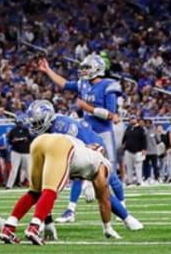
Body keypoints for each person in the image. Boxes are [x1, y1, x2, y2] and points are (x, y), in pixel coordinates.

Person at [25, 99, 143, 232]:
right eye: (33, 123)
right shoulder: (46, 131)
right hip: (69, 154)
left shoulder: (64, 127)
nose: (35, 126)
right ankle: (47, 221)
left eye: (37, 122)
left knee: (101, 188)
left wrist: (88, 181)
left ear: (47, 118)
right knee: (45, 185)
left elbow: (92, 150)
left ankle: (127, 218)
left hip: (93, 149)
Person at [37, 54, 125, 216]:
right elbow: (63, 84)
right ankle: (70, 209)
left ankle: (122, 206)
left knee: (109, 174)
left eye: (87, 68)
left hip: (103, 133)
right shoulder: (83, 84)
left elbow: (112, 115)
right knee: (77, 169)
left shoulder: (108, 85)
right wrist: (48, 70)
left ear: (97, 69)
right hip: (85, 133)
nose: (83, 71)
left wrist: (88, 108)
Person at [0, 133, 121, 245]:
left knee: (35, 192)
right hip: (61, 146)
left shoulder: (84, 150)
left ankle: (8, 227)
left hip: (40, 141)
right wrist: (107, 227)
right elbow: (104, 200)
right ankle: (34, 227)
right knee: (50, 190)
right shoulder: (101, 162)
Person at [5, 117, 32, 189]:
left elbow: (30, 139)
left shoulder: (26, 130)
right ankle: (9, 185)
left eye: (21, 122)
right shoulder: (13, 131)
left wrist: (26, 140)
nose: (20, 124)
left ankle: (33, 184)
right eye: (19, 123)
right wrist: (14, 141)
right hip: (16, 151)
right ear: (16, 123)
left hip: (26, 152)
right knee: (14, 169)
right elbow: (9, 141)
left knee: (28, 169)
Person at [122, 116, 147, 186]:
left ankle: (139, 181)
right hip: (128, 151)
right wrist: (123, 145)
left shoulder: (141, 129)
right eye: (131, 119)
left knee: (138, 167)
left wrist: (144, 149)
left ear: (136, 120)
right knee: (129, 167)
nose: (132, 120)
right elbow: (124, 138)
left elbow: (144, 139)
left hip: (138, 151)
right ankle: (130, 181)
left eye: (133, 119)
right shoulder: (128, 128)